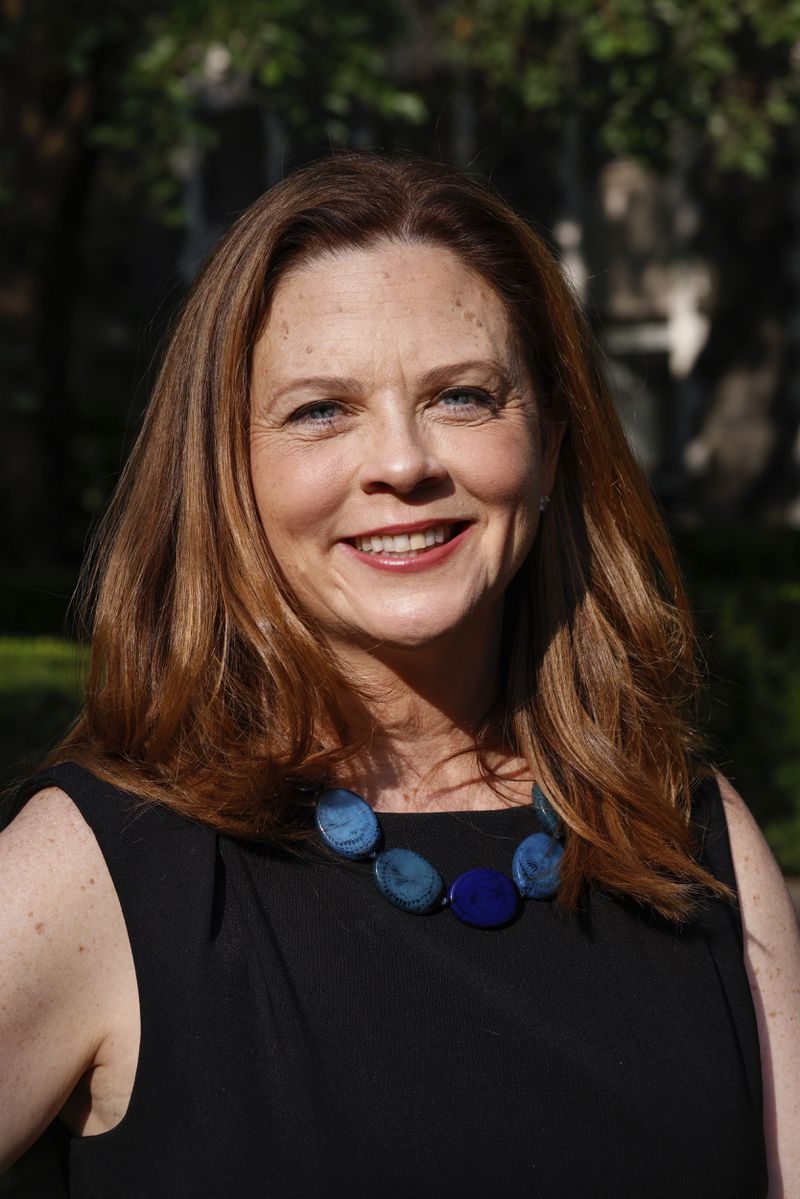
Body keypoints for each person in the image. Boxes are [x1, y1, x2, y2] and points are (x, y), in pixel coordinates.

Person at [1, 153, 798, 1199]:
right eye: (320, 410)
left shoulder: (686, 833)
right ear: (228, 475)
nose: (403, 461)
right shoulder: (95, 872)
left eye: (462, 395)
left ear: (549, 447)